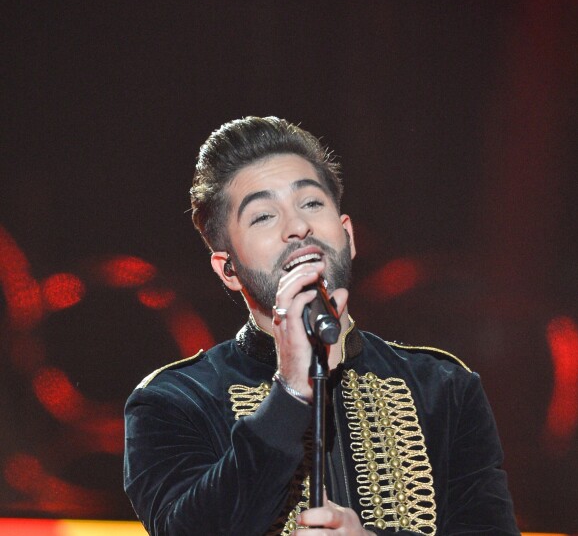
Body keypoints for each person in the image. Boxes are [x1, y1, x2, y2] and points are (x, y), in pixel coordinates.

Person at [124, 116, 519, 535]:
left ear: (347, 234)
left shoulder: (443, 387)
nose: (297, 227)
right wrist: (291, 392)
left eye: (311, 203)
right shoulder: (175, 402)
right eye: (262, 217)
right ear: (228, 269)